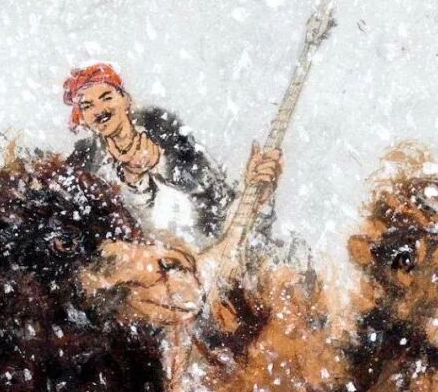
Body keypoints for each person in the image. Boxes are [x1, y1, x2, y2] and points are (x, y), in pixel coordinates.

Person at [63, 63, 281, 252]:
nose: (99, 110)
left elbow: (216, 200)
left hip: (200, 255)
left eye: (106, 97)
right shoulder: (84, 166)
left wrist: (255, 193)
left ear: (125, 99)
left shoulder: (168, 135)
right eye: (87, 106)